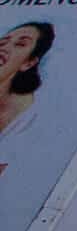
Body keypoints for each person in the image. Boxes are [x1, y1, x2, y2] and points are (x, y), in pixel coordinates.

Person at [0, 21, 53, 177]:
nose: (4, 47)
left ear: (29, 62)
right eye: (3, 41)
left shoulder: (27, 118)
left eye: (20, 44)